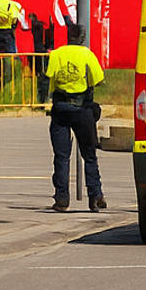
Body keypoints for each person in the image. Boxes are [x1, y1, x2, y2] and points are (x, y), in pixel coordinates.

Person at [46, 20, 106, 212]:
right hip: (82, 111)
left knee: (61, 156)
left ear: (68, 37)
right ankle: (95, 196)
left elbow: (50, 77)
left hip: (61, 110)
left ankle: (62, 198)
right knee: (89, 155)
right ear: (82, 38)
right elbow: (98, 80)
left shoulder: (56, 54)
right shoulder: (87, 54)